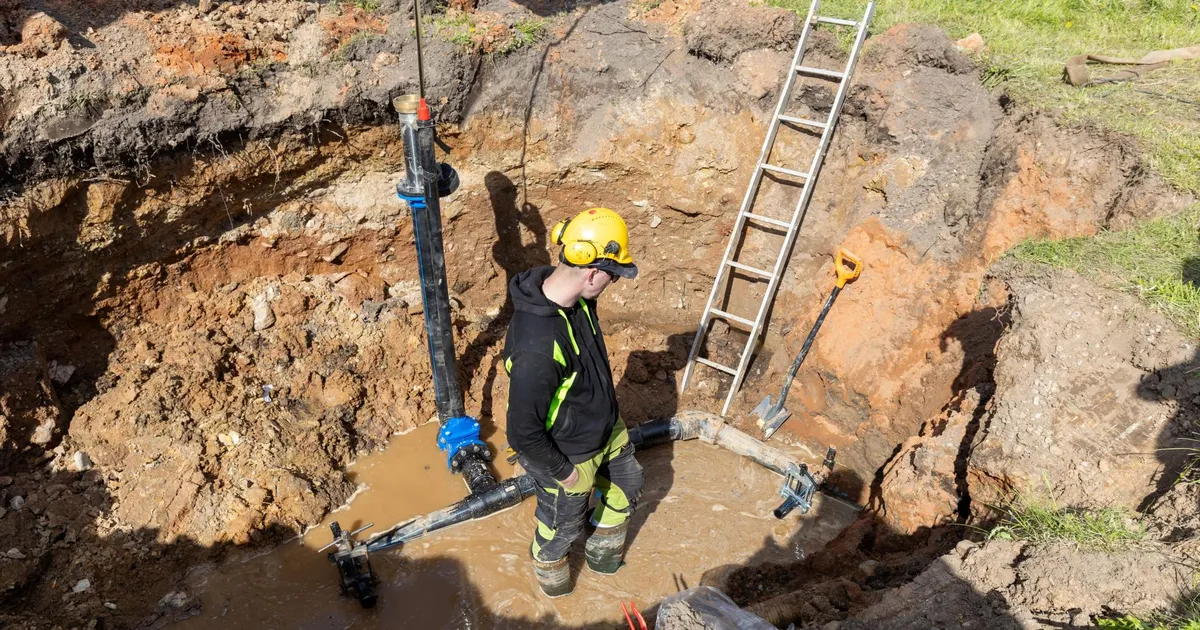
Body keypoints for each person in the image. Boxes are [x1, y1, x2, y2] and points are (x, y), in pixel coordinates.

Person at [502, 207, 644, 597]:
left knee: (628, 485)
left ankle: (603, 560)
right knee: (559, 530)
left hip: (604, 427)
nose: (613, 282)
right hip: (567, 453)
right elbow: (522, 433)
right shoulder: (538, 348)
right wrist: (565, 474)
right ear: (592, 272)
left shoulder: (578, 300)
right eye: (612, 275)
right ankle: (557, 593)